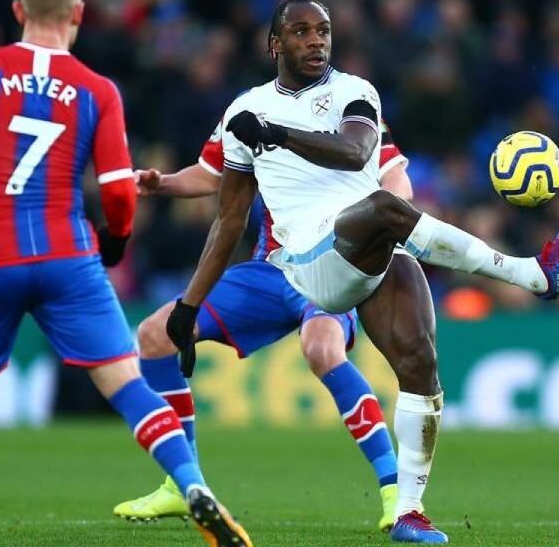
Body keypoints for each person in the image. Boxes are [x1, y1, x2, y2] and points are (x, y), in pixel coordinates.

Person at [165, 0, 559, 544]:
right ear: (275, 43)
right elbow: (228, 221)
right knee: (386, 211)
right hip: (307, 262)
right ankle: (535, 275)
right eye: (301, 31)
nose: (316, 40)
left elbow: (355, 149)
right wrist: (190, 305)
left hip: (368, 242)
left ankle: (409, 512)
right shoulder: (242, 112)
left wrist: (278, 134)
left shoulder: (354, 92)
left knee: (420, 363)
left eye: (323, 30)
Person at [0, 0, 251, 546]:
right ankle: (193, 484)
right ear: (78, 14)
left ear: (17, 10)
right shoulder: (97, 89)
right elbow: (119, 189)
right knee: (126, 382)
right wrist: (117, 239)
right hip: (68, 254)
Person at [113, 118, 435, 534]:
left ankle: (394, 491)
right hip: (271, 268)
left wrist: (375, 226)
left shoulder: (353, 108)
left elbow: (398, 183)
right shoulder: (251, 111)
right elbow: (211, 174)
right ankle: (182, 483)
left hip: (330, 265)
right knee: (155, 335)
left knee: (322, 348)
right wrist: (162, 184)